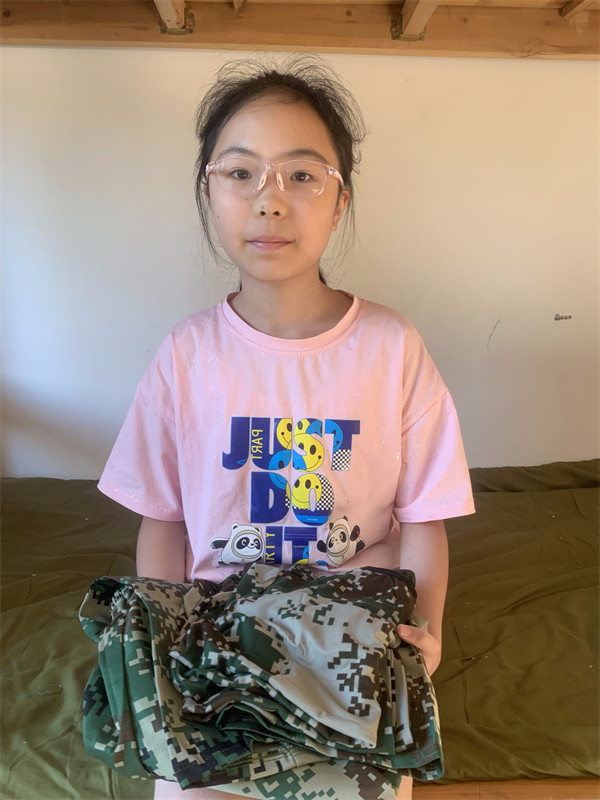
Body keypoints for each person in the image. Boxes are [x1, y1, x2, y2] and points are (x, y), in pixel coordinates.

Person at [98, 56, 475, 800]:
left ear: (340, 201)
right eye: (240, 173)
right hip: (218, 640)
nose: (269, 200)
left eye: (302, 175)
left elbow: (426, 516)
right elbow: (163, 518)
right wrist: (167, 635)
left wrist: (424, 636)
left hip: (350, 634)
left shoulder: (390, 347)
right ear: (209, 193)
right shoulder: (187, 353)